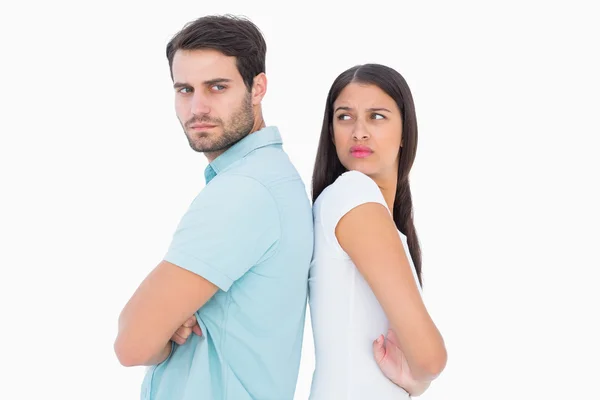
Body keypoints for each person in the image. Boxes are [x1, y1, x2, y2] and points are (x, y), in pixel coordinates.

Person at [113, 15, 314, 400]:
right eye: (185, 89)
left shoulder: (244, 191)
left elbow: (132, 343)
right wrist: (167, 321)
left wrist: (163, 337)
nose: (197, 107)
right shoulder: (271, 177)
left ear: (258, 88)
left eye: (217, 87)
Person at [308, 63, 447, 399]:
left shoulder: (365, 210)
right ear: (331, 131)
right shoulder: (353, 193)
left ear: (405, 132)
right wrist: (420, 380)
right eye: (344, 117)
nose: (359, 131)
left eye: (377, 116)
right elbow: (429, 358)